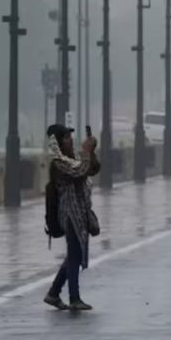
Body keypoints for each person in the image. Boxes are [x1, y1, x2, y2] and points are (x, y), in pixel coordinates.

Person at [44, 124, 100, 311]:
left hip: (80, 212)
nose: (70, 140)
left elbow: (92, 169)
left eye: (70, 137)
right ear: (58, 142)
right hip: (69, 214)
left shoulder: (74, 158)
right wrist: (86, 151)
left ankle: (53, 293)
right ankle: (74, 298)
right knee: (74, 256)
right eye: (66, 137)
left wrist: (91, 152)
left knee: (73, 255)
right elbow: (79, 171)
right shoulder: (59, 163)